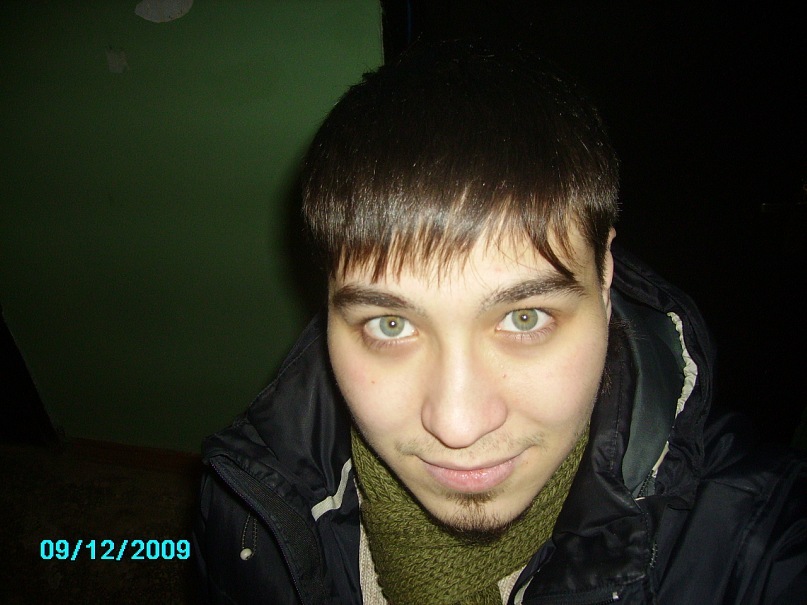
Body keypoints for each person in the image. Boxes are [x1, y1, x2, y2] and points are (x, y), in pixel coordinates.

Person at [192, 40, 806, 604]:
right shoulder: (250, 505)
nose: (457, 426)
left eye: (524, 316)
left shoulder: (755, 540)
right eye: (390, 325)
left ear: (605, 274)